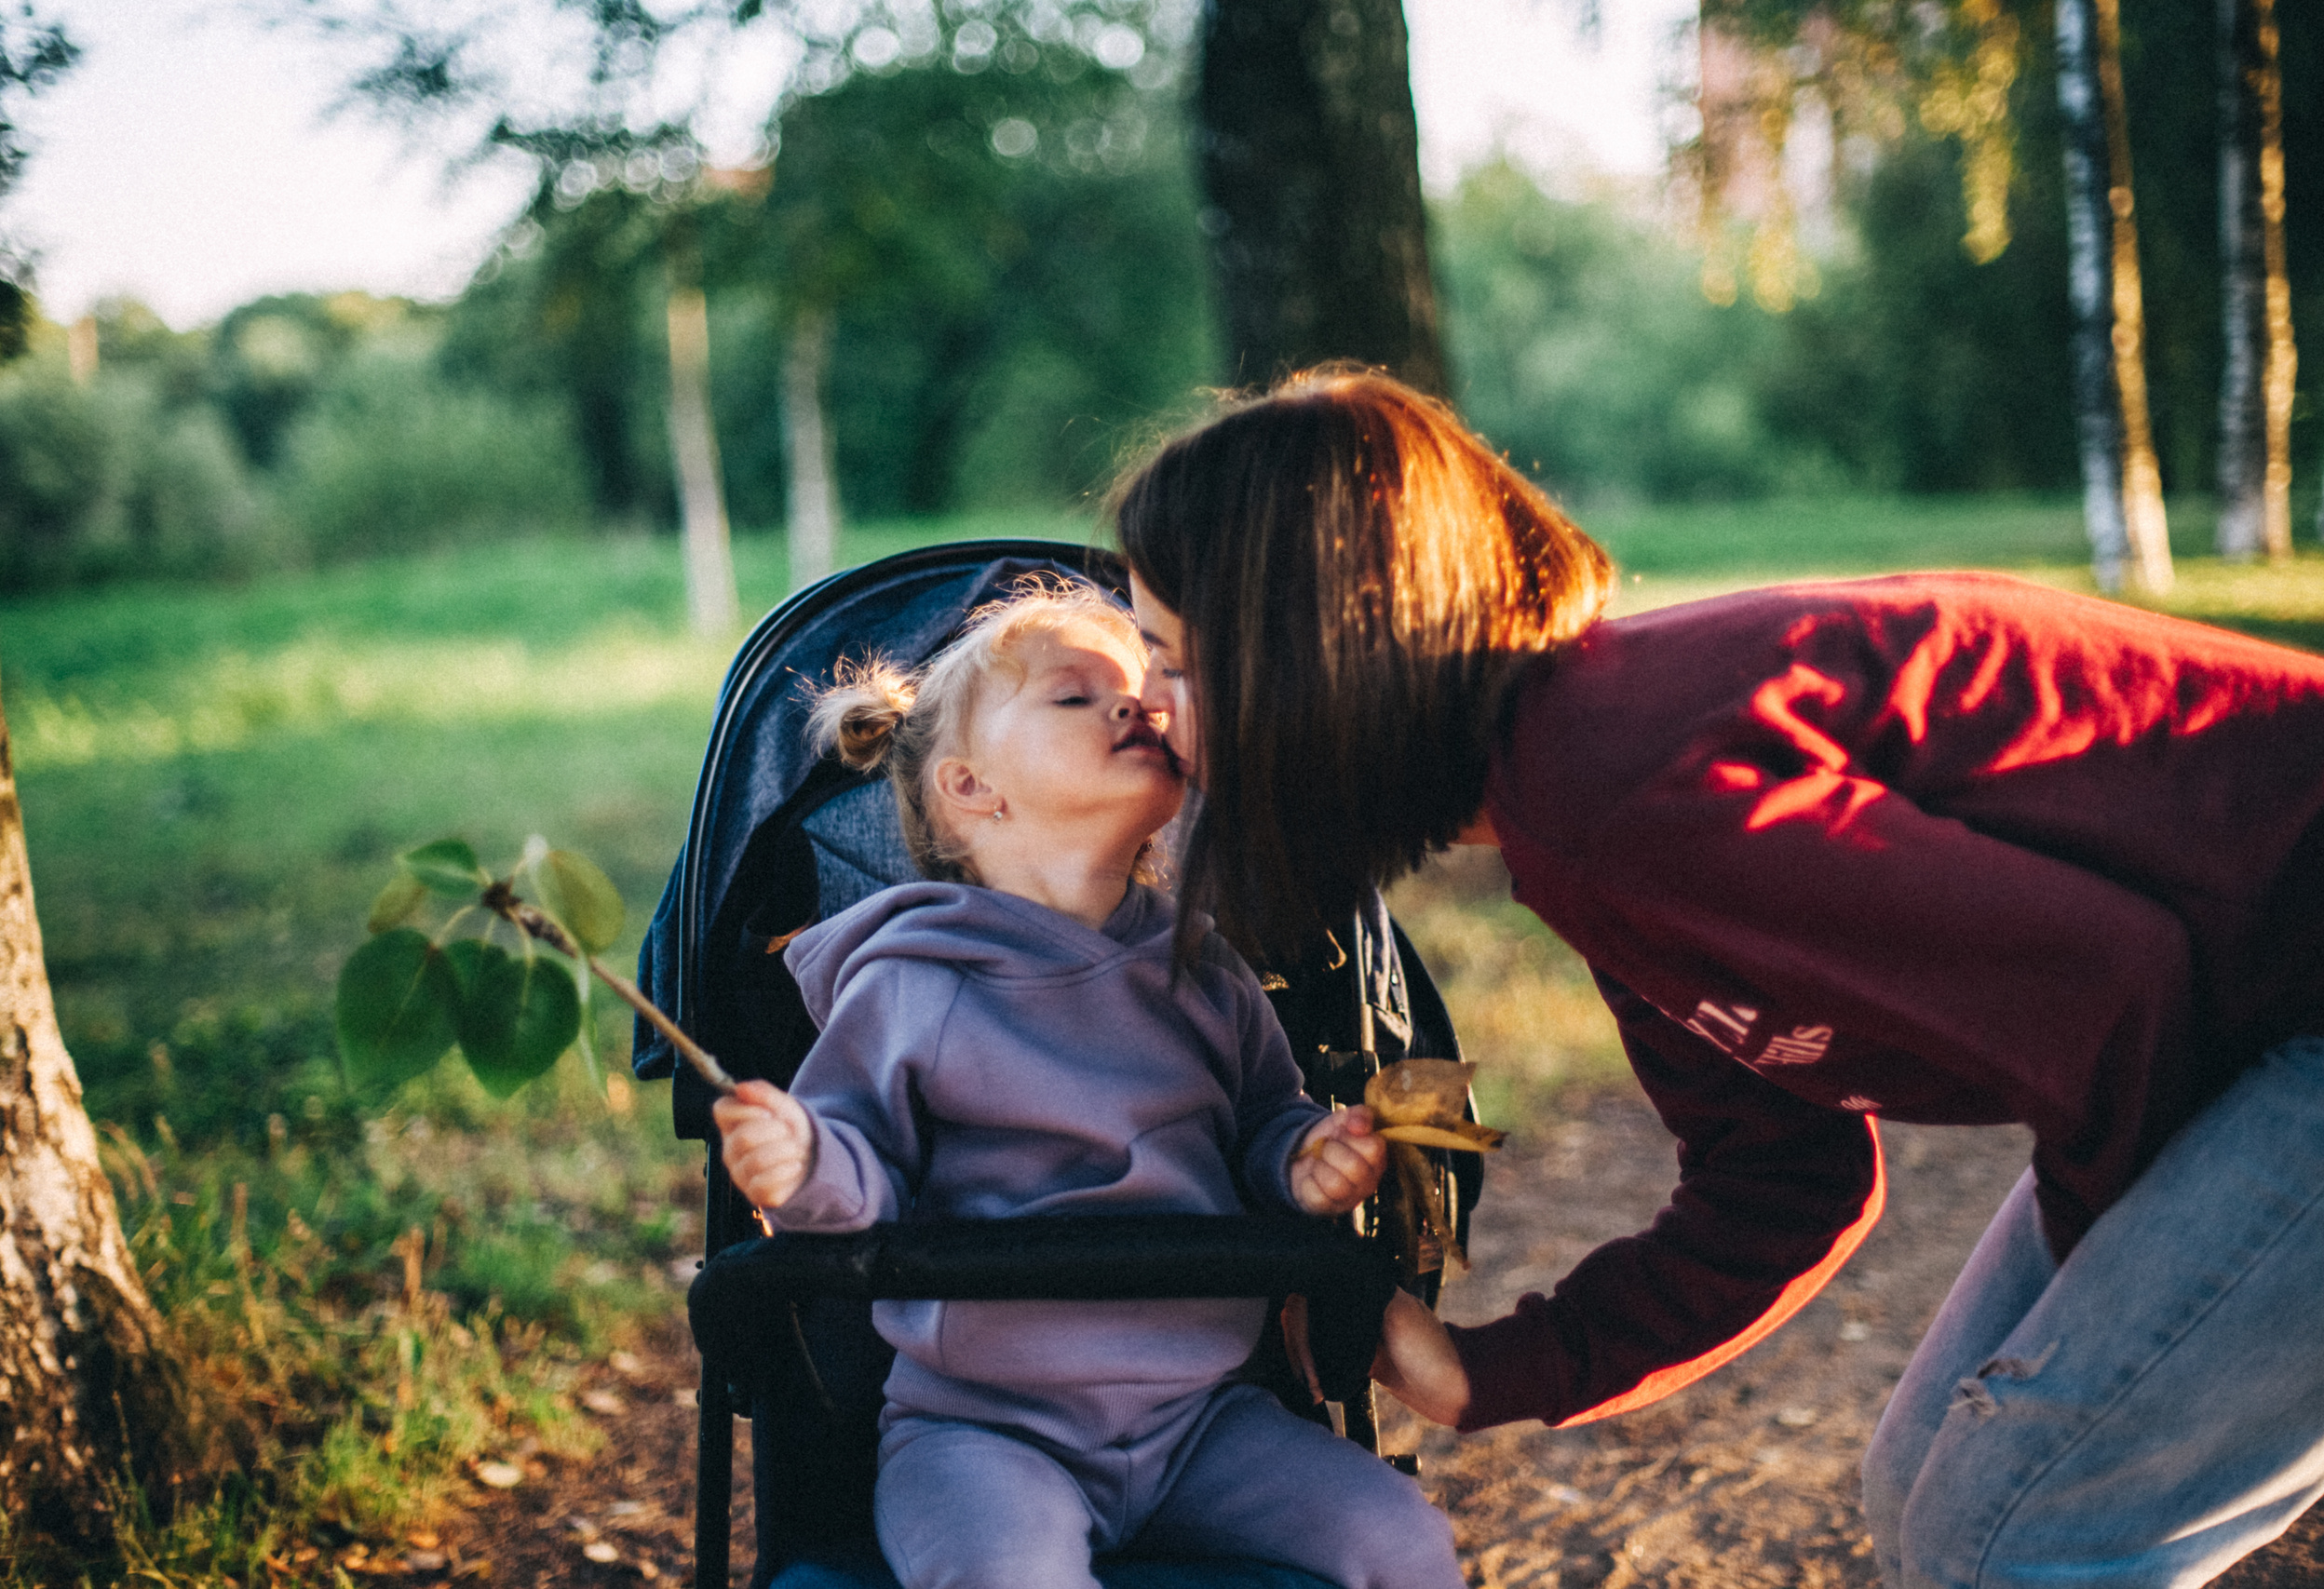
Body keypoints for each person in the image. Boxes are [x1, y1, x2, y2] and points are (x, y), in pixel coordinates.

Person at [1110, 366, 2324, 1589]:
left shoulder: (1616, 790)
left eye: (1172, 663)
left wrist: (2100, 1313)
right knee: (1926, 1493)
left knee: (2008, 1534)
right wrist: (1489, 1372)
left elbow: (2111, 993)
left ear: (1311, 661)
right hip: (2245, 1026)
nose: (1148, 709)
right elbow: (1778, 1176)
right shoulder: (1569, 801)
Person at [710, 581, 1466, 1589]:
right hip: (987, 1429)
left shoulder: (1205, 971)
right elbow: (861, 1169)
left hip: (1204, 1417)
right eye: (1075, 697)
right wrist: (803, 1161)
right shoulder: (916, 980)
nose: (1131, 708)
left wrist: (1300, 1159)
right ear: (970, 787)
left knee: (1402, 1541)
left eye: (1144, 699)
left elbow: (1262, 1120)